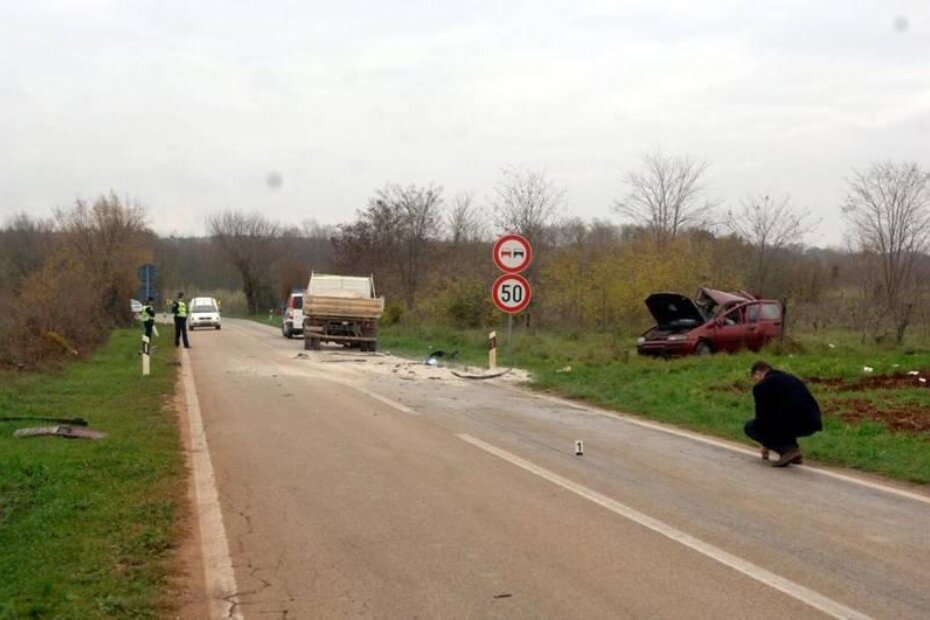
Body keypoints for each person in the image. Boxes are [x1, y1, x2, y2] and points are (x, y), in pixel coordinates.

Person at [745, 360, 822, 467]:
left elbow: (763, 417)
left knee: (750, 427)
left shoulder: (762, 386)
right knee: (780, 419)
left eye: (755, 378)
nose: (756, 381)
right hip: (812, 421)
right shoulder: (789, 377)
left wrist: (765, 442)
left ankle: (788, 451)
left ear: (758, 373)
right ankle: (793, 453)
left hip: (792, 421)